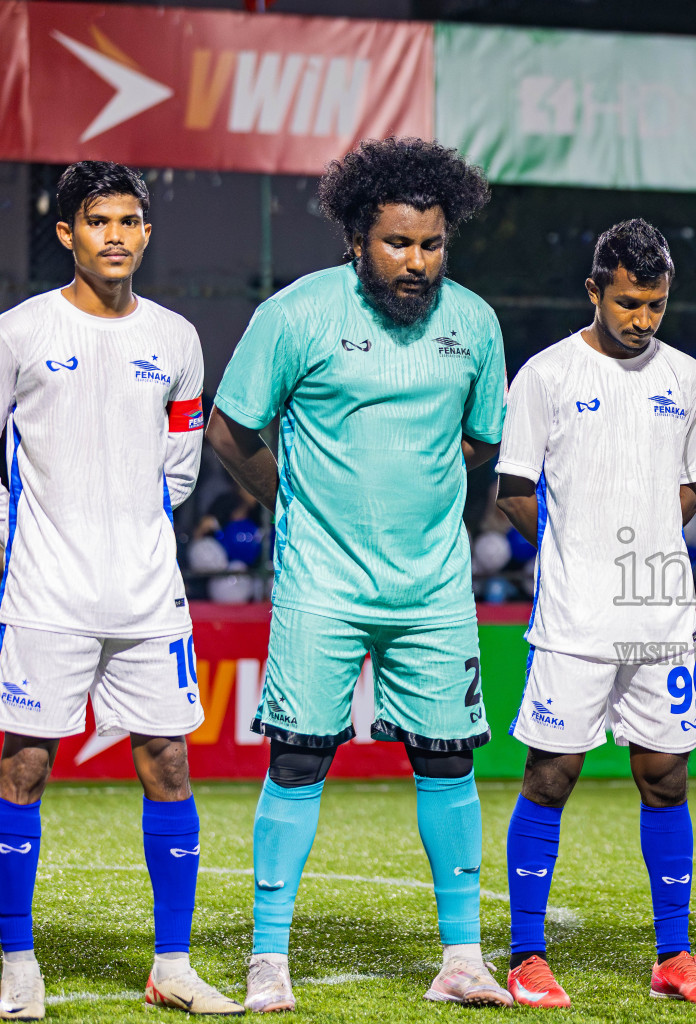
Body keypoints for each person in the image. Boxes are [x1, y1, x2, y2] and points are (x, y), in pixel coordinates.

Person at [205, 138, 510, 1012]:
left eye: (432, 245)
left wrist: (423, 488)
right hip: (322, 585)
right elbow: (231, 429)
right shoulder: (297, 314)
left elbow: (483, 440)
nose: (417, 263)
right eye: (398, 244)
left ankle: (461, 960)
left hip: (435, 589)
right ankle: (269, 962)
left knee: (447, 759)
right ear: (355, 239)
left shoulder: (475, 323)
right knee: (299, 760)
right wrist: (288, 500)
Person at [0, 162, 243, 1016]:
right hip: (43, 593)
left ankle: (171, 965)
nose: (115, 234)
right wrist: (17, 549)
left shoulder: (176, 339)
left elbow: (178, 470)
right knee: (23, 766)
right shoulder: (18, 332)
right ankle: (16, 959)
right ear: (66, 233)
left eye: (130, 220)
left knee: (168, 762)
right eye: (97, 220)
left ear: (145, 232)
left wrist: (128, 532)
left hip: (146, 596)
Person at [497, 219, 696, 1008]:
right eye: (628, 303)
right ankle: (526, 955)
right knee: (551, 775)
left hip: (662, 622)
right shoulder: (545, 376)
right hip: (574, 623)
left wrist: (657, 532)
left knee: (666, 778)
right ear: (594, 290)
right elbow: (514, 487)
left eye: (656, 305)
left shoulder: (691, 379)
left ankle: (674, 956)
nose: (642, 319)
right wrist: (583, 549)